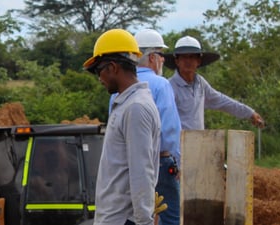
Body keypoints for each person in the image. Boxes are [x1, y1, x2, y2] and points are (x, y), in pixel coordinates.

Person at [84, 29, 161, 225]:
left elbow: (141, 170)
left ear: (112, 67)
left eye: (98, 70)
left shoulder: (135, 108)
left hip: (122, 220)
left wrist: (144, 220)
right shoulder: (127, 104)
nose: (99, 78)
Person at [107, 29, 182, 225]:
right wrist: (178, 163)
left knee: (132, 215)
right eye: (161, 55)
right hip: (161, 163)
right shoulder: (161, 84)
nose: (163, 61)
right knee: (169, 218)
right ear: (151, 57)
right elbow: (169, 133)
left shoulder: (117, 89)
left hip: (126, 168)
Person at [163, 36, 265, 130]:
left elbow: (221, 101)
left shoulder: (200, 83)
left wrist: (250, 113)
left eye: (192, 57)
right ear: (177, 61)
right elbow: (164, 119)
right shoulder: (169, 86)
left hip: (198, 142)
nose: (188, 61)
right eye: (184, 57)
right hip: (177, 144)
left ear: (198, 61)